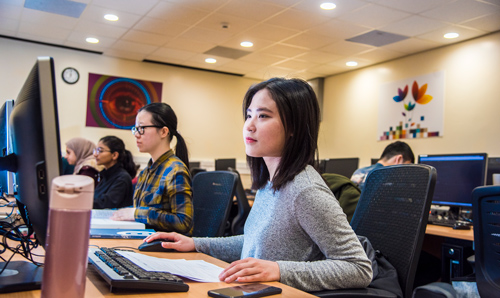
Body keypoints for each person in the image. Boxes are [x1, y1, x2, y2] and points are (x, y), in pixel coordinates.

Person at [142, 78, 373, 292]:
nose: (249, 126)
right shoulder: (270, 183)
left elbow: (359, 268)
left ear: (294, 127)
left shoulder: (306, 190)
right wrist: (195, 243)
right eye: (249, 115)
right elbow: (254, 242)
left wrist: (279, 270)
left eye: (263, 116)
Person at [111, 103, 193, 235]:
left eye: (142, 128)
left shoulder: (175, 170)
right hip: (143, 239)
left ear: (163, 132)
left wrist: (138, 213)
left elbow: (183, 222)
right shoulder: (146, 172)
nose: (136, 134)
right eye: (136, 129)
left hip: (162, 248)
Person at [350, 141, 415, 192]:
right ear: (399, 159)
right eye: (406, 166)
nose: (406, 172)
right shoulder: (393, 179)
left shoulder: (358, 172)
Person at [93, 136, 137, 209]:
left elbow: (106, 204)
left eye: (100, 151)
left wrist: (83, 203)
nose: (95, 154)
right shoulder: (106, 174)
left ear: (114, 155)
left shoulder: (122, 178)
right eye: (95, 150)